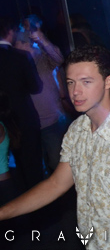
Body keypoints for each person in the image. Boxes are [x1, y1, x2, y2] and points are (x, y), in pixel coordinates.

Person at [0, 45, 110, 250]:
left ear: (108, 81)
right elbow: (55, 184)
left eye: (86, 82)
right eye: (70, 82)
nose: (75, 92)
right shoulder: (77, 129)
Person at [14, 27, 69, 175]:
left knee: (58, 164)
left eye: (18, 43)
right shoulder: (16, 64)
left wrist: (43, 40)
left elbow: (59, 59)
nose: (16, 47)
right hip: (29, 125)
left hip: (52, 121)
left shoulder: (42, 58)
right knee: (38, 169)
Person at [0, 16, 42, 190]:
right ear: (10, 32)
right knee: (32, 166)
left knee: (8, 167)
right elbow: (36, 87)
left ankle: (17, 200)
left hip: (3, 121)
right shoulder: (20, 57)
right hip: (23, 118)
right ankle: (40, 204)